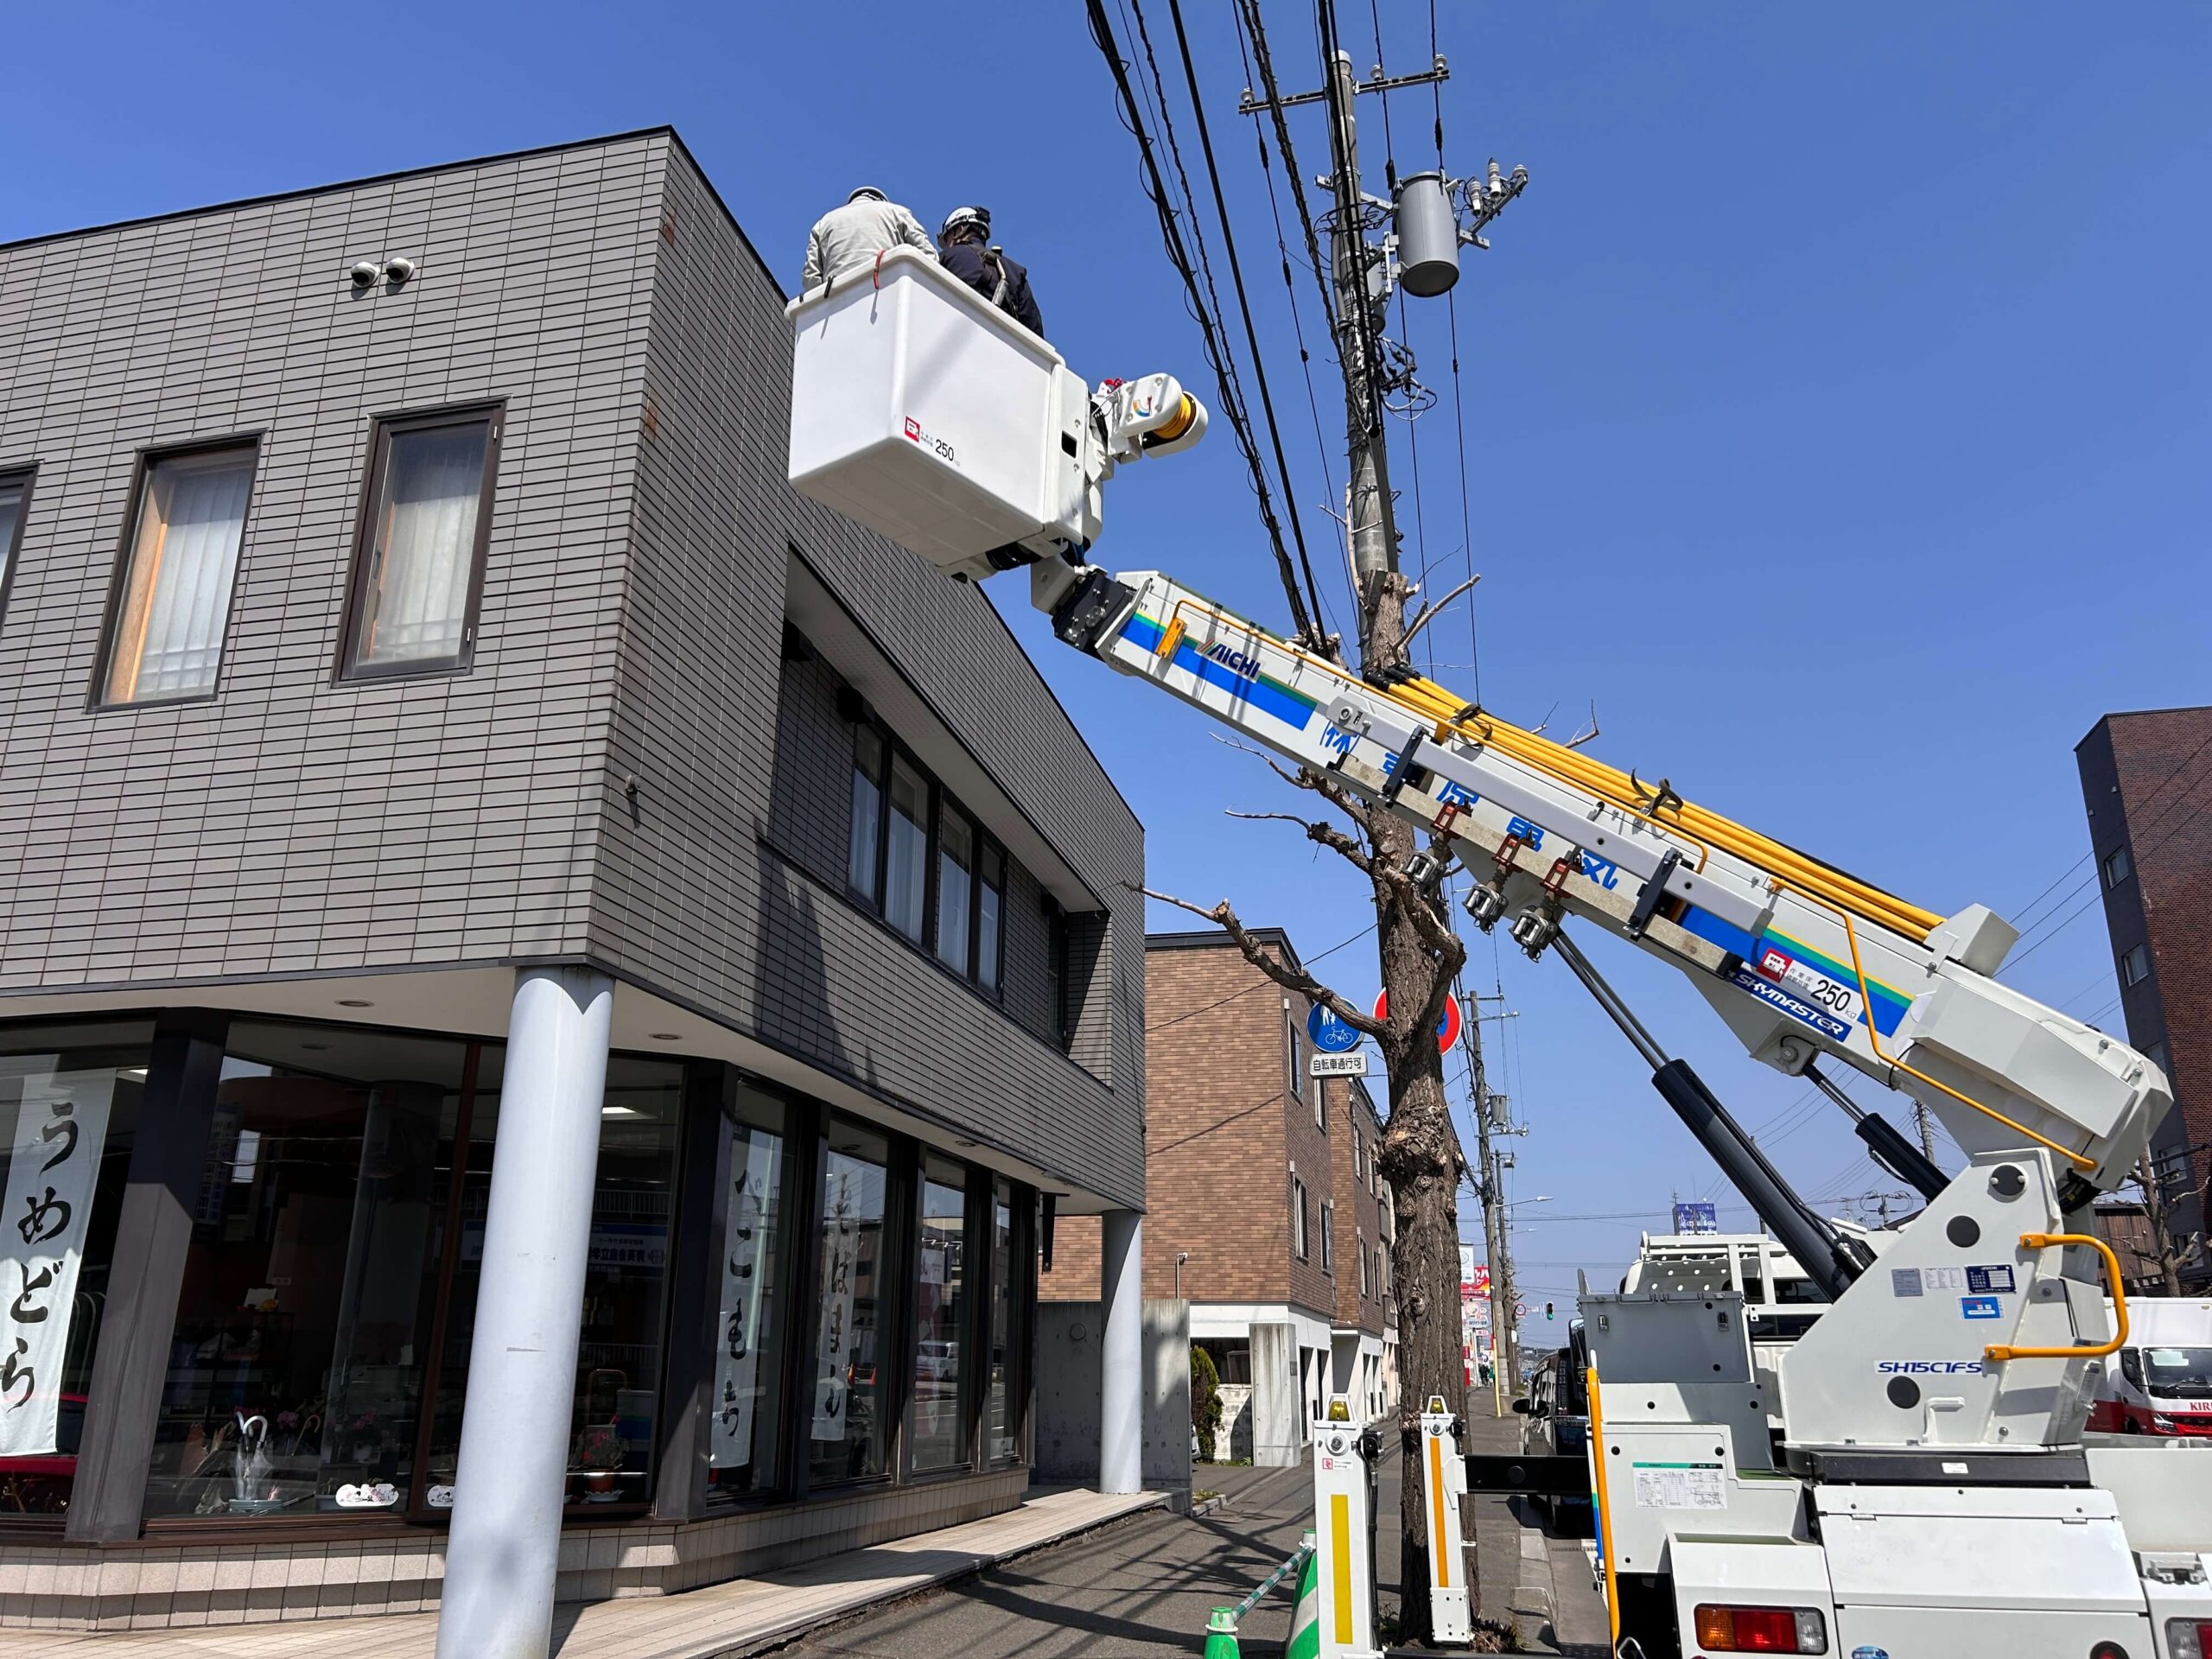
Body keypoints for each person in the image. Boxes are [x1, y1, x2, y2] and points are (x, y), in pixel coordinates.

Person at [801, 187, 935, 291]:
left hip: (835, 304)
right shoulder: (897, 212)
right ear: (881, 201)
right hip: (885, 292)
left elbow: (811, 278)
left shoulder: (823, 223)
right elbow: (929, 257)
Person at [936, 206, 1044, 335]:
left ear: (959, 230)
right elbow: (1034, 330)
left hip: (958, 339)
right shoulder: (1016, 272)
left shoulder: (947, 257)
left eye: (947, 239)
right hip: (1004, 346)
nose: (947, 245)